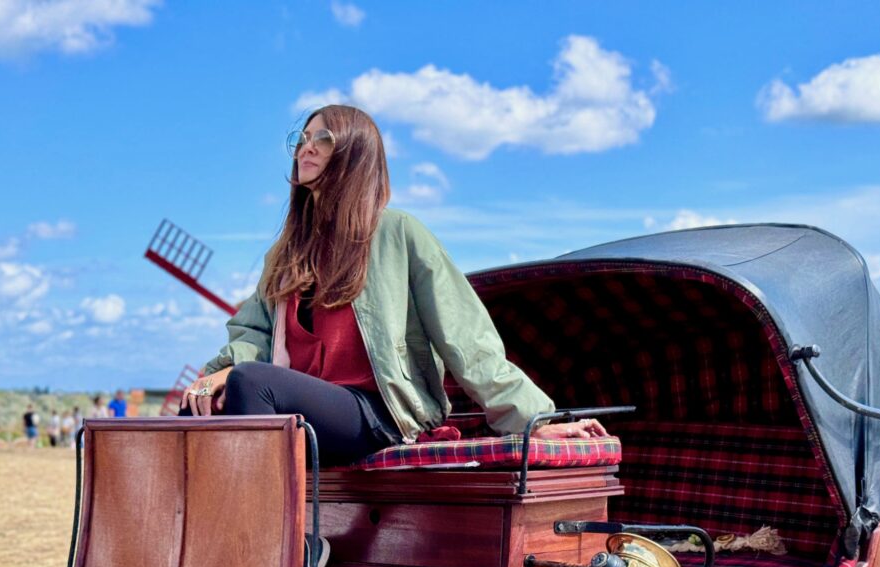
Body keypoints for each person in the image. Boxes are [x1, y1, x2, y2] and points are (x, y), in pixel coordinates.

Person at [180, 105, 606, 466]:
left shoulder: (399, 233)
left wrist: (540, 422)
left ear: (355, 154)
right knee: (195, 405)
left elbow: (467, 337)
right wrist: (212, 378)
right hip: (306, 410)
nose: (305, 147)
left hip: (379, 411)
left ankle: (286, 546)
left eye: (323, 138)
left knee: (254, 383)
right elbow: (251, 334)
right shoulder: (286, 254)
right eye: (302, 137)